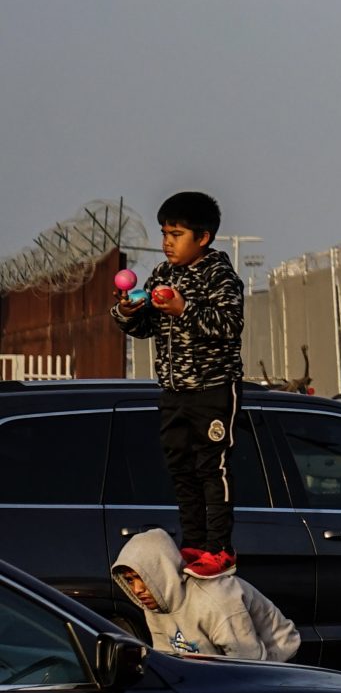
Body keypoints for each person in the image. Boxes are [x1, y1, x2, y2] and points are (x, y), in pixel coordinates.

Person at [109, 191, 247, 577]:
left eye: (176, 234)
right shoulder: (163, 275)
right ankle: (194, 544)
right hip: (173, 391)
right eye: (164, 234)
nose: (167, 242)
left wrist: (184, 308)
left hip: (213, 389)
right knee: (180, 468)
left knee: (212, 468)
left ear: (203, 238)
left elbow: (229, 325)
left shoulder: (219, 275)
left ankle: (219, 549)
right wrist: (126, 311)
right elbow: (145, 327)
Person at [113, 529, 300, 661]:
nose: (137, 589)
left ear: (163, 571)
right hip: (222, 663)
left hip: (277, 658)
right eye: (129, 580)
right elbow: (169, 659)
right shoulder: (155, 604)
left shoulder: (215, 599)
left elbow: (250, 664)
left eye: (142, 578)